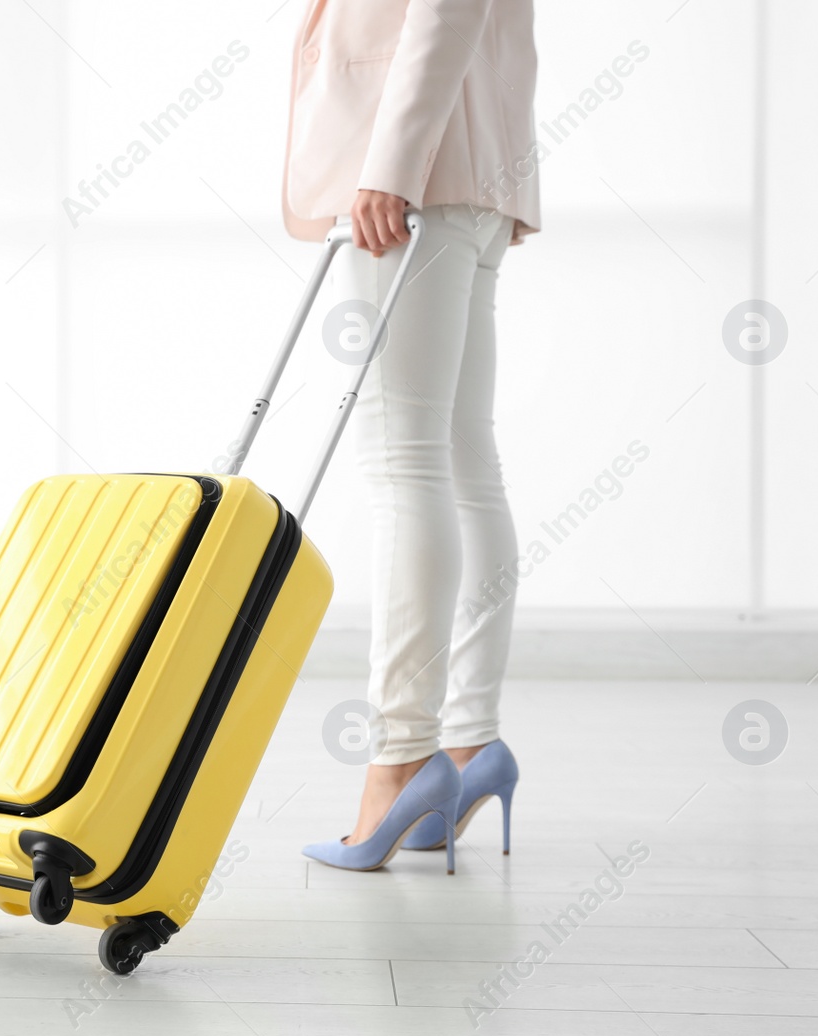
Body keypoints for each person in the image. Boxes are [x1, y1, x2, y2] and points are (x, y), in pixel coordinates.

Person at [283, 0, 540, 871]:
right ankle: (468, 746)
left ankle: (398, 763)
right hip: (472, 166)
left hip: (413, 170)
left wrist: (389, 164)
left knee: (405, 462)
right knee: (464, 461)